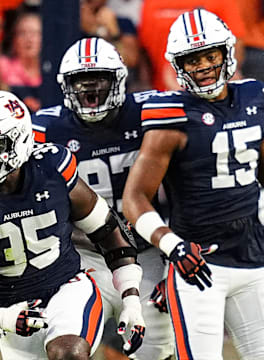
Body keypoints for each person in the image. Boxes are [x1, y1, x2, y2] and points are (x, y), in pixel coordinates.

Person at [0, 89, 146, 360]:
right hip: (11, 310)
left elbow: (109, 230)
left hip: (69, 288)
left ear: (19, 139)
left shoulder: (52, 169)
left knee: (69, 353)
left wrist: (131, 299)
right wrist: (2, 317)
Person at [123, 8, 264, 360]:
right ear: (177, 65)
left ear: (227, 53)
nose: (202, 66)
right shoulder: (171, 114)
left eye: (210, 56)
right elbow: (135, 198)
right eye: (192, 59)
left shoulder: (254, 98)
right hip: (198, 266)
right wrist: (173, 247)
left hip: (253, 255)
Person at [31, 37, 174, 360]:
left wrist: (172, 265)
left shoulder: (150, 112)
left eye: (99, 81)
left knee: (156, 352)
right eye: (80, 83)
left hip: (146, 250)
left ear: (119, 79)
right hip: (85, 256)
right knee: (62, 344)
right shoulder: (45, 128)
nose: (90, 91)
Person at [137, 0, 247, 91]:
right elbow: (144, 49)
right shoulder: (151, 3)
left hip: (212, 91)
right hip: (165, 91)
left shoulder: (221, 2)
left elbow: (235, 44)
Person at [0, 8, 42, 113]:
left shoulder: (50, 69)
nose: (29, 39)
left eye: (34, 33)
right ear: (14, 38)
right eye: (22, 33)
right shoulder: (2, 66)